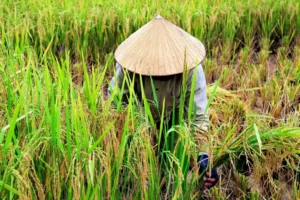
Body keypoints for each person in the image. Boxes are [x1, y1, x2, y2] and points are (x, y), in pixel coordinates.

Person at [108, 15, 219, 190]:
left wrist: (203, 157)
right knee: (139, 179)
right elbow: (116, 106)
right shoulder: (128, 68)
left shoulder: (191, 71)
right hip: (139, 121)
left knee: (173, 176)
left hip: (174, 121)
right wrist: (127, 143)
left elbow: (198, 118)